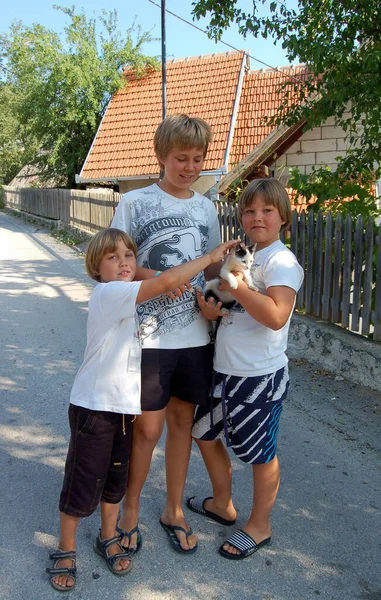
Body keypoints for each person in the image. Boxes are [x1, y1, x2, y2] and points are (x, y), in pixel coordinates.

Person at [46, 227, 236, 592]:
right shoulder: (109, 294)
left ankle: (107, 535)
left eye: (128, 256)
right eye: (112, 257)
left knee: (116, 477)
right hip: (94, 408)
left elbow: (154, 279)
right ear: (95, 268)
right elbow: (164, 280)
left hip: (122, 408)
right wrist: (211, 260)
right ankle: (65, 547)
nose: (123, 263)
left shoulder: (124, 290)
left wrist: (160, 279)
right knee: (83, 480)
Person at [111, 113, 221, 554]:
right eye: (181, 158)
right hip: (149, 335)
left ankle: (173, 509)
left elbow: (211, 267)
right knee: (147, 430)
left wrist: (220, 297)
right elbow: (116, 265)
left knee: (181, 424)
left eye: (198, 159)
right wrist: (161, 277)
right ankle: (130, 509)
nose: (190, 167)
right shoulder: (135, 204)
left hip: (195, 338)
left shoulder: (206, 208)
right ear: (162, 156)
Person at [188, 178, 304, 560]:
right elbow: (224, 304)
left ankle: (259, 526)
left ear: (282, 217)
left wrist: (235, 286)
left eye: (267, 211)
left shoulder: (282, 262)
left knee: (260, 454)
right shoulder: (244, 253)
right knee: (203, 433)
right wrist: (212, 308)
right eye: (250, 211)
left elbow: (275, 316)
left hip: (259, 379)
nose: (257, 217)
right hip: (226, 371)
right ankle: (223, 505)